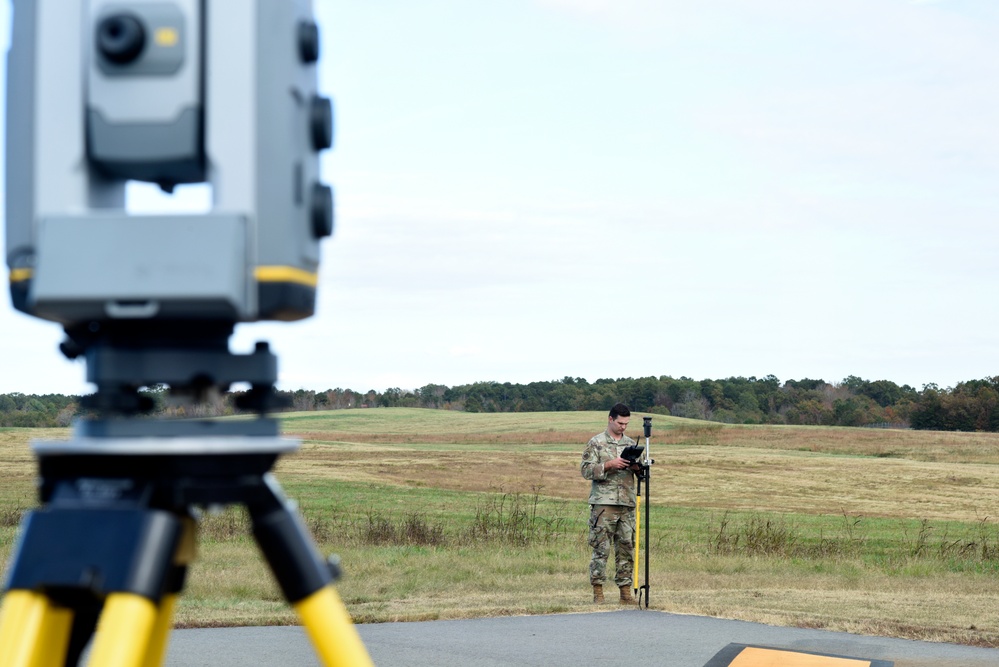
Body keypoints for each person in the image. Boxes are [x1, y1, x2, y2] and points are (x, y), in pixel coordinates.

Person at [580, 403, 640, 605]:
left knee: (626, 547)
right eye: (620, 423)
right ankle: (598, 592)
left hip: (626, 503)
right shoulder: (596, 443)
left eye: (626, 423)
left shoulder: (631, 444)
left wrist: (637, 467)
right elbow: (586, 471)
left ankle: (625, 592)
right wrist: (609, 465)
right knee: (601, 548)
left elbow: (643, 476)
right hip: (604, 504)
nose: (623, 427)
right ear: (610, 419)